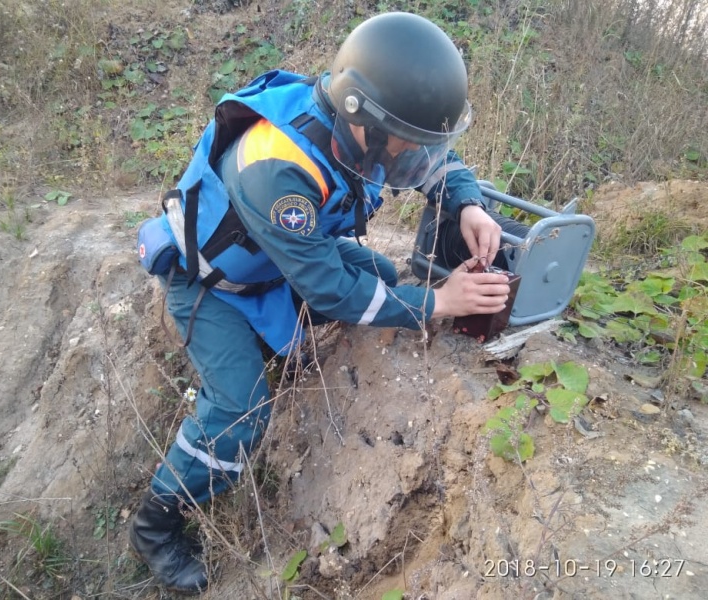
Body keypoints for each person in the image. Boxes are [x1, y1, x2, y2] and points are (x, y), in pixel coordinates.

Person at [130, 11, 511, 593]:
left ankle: (291, 339)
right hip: (212, 287)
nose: (412, 158)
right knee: (242, 409)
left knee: (382, 275)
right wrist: (436, 304)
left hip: (278, 262)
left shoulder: (363, 122)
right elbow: (330, 288)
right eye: (404, 144)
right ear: (363, 122)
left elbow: (431, 162)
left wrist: (467, 204)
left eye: (417, 144)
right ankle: (156, 523)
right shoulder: (274, 168)